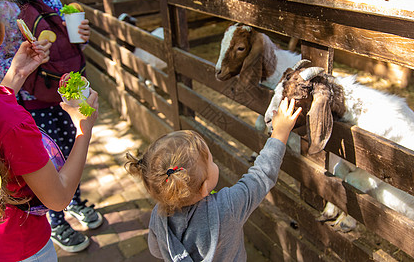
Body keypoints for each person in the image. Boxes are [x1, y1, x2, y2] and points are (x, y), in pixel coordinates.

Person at [0, 0, 102, 252]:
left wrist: (79, 33)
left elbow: (68, 44)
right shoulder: (0, 7)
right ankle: (55, 220)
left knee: (68, 152)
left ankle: (75, 202)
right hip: (22, 106)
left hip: (60, 96)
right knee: (42, 164)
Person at [126, 98, 302, 261]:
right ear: (204, 188)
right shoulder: (228, 206)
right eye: (211, 161)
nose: (213, 162)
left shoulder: (159, 215)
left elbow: (156, 250)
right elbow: (261, 175)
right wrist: (280, 134)